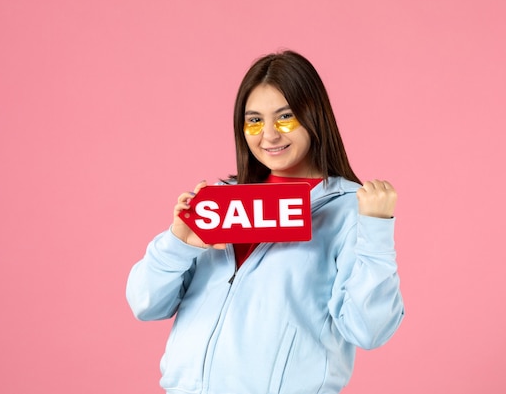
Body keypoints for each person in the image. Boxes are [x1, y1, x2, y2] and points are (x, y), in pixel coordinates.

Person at [126, 50, 404, 394]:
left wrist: (376, 234)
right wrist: (177, 243)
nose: (269, 135)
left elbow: (369, 329)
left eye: (285, 117)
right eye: (254, 120)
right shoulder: (221, 201)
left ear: (314, 117)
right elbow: (145, 303)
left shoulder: (347, 209)